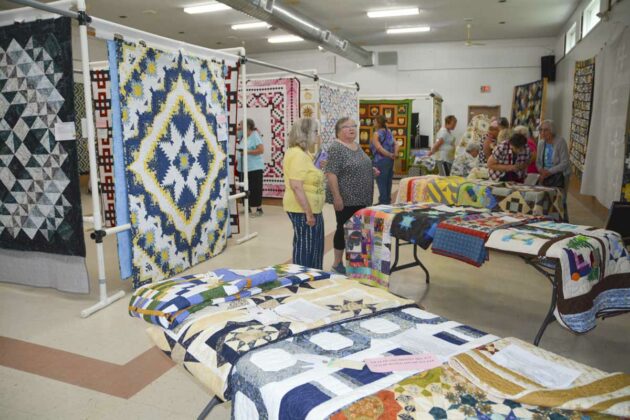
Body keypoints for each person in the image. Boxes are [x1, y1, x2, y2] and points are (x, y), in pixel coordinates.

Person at [326, 117, 375, 274]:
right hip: (346, 198)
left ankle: (356, 264)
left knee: (358, 230)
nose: (352, 129)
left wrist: (370, 171)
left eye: (353, 126)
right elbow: (331, 173)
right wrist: (337, 197)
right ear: (339, 131)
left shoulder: (356, 145)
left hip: (362, 197)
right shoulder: (336, 148)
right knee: (343, 229)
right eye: (347, 127)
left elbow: (358, 165)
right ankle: (337, 264)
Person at [282, 118, 325, 269]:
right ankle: (302, 277)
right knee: (305, 246)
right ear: (304, 134)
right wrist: (309, 213)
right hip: (302, 209)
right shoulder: (297, 154)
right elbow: (296, 186)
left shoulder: (304, 153)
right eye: (315, 132)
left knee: (314, 244)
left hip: (312, 208)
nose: (317, 135)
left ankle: (313, 274)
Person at [536, 119, 570, 219]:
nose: (542, 132)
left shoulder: (560, 142)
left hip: (559, 175)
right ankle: (546, 218)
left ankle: (562, 220)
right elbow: (538, 161)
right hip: (545, 174)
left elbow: (565, 163)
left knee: (559, 199)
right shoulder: (541, 143)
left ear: (552, 131)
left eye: (545, 130)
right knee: (544, 197)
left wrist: (549, 172)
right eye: (541, 130)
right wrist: (541, 170)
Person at [236, 119, 264, 217]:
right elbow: (231, 133)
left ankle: (258, 209)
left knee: (255, 188)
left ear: (248, 127)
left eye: (242, 126)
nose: (240, 127)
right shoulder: (242, 134)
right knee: (243, 187)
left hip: (254, 167)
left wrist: (247, 152)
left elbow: (261, 150)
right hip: (243, 167)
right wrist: (239, 127)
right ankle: (247, 208)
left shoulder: (255, 135)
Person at [370, 115, 397, 205]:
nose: (373, 122)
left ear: (378, 122)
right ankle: (387, 201)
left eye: (374, 121)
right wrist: (394, 154)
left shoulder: (376, 134)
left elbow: (378, 148)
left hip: (380, 161)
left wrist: (389, 154)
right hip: (390, 161)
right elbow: (396, 144)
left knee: (381, 182)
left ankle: (383, 202)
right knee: (388, 181)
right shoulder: (388, 132)